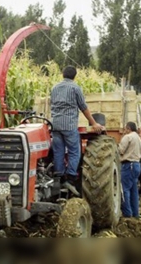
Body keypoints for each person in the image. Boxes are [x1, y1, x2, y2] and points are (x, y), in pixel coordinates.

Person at [50, 66, 103, 196]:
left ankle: (59, 177)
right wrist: (94, 123)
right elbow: (83, 107)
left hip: (55, 125)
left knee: (58, 151)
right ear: (75, 76)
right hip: (69, 125)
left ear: (63, 74)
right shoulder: (75, 88)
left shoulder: (55, 88)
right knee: (75, 151)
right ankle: (71, 177)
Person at [118, 121, 141, 218]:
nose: (124, 131)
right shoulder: (139, 139)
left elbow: (120, 150)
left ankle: (127, 214)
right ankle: (135, 214)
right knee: (134, 191)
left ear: (128, 128)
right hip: (137, 165)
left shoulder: (128, 137)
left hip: (128, 165)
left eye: (125, 129)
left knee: (125, 190)